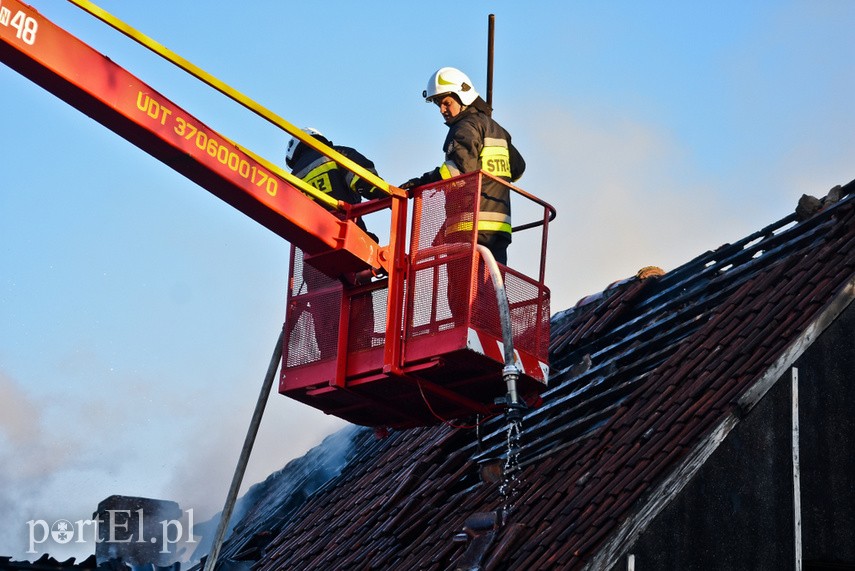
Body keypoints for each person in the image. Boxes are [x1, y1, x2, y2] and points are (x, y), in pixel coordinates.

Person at [401, 67, 525, 265]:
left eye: (446, 103)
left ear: (463, 96)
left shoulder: (464, 127)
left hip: (467, 226)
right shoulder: (497, 130)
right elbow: (518, 169)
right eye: (438, 104)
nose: (442, 110)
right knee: (492, 290)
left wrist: (421, 183)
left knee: (462, 292)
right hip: (499, 229)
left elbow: (458, 173)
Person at [285, 128, 381, 359]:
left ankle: (330, 357)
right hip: (347, 241)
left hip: (312, 254)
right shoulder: (336, 154)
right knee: (357, 299)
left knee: (324, 308)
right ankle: (362, 352)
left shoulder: (292, 178)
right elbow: (369, 182)